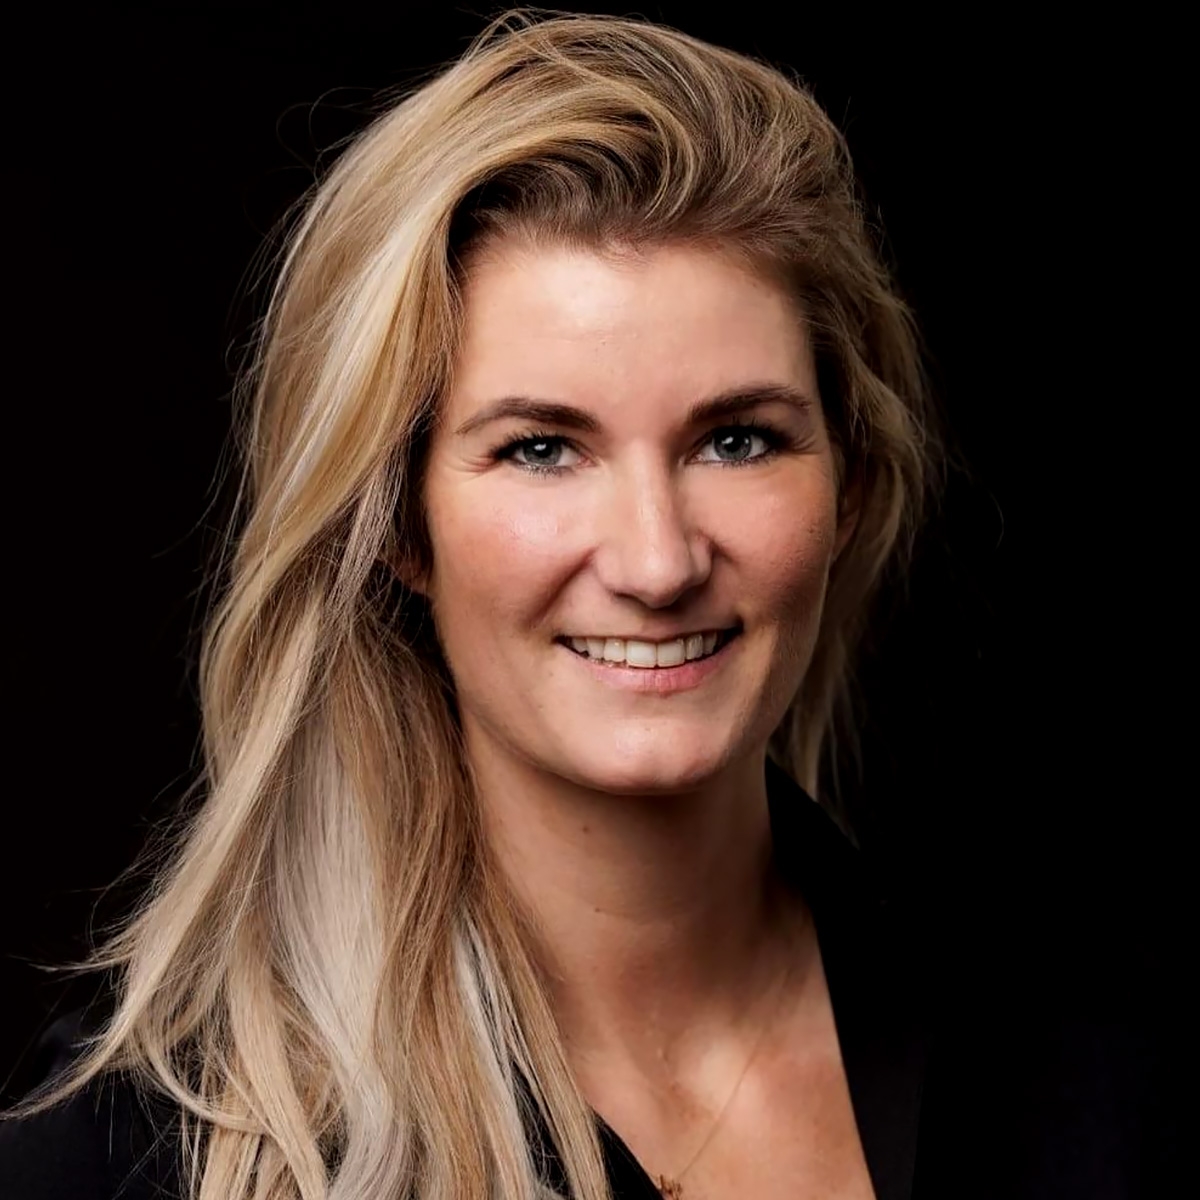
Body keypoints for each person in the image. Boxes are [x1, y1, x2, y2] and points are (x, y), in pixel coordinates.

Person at [6, 10, 1155, 1200]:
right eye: (543, 449)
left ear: (850, 485)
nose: (658, 563)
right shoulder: (145, 1154)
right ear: (396, 524)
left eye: (738, 439)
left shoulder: (1090, 1075)